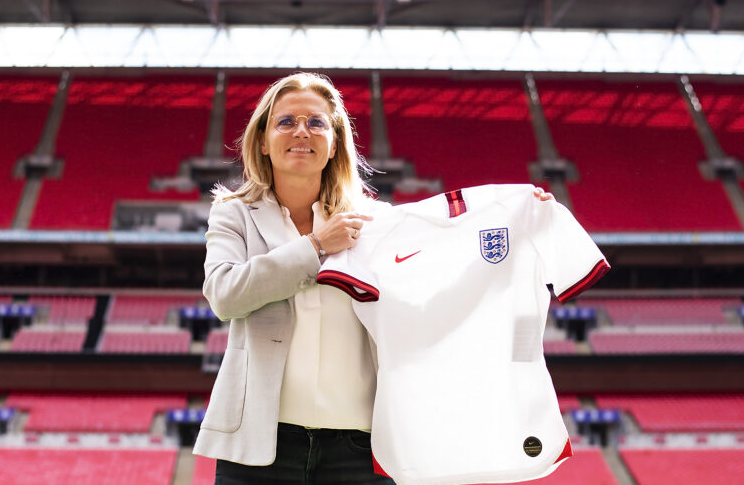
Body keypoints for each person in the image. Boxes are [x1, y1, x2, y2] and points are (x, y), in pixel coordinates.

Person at [194, 71, 554, 484]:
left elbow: (430, 289)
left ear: (334, 144)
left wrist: (517, 222)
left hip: (360, 451)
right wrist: (316, 246)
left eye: (316, 122)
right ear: (262, 139)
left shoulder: (375, 222)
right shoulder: (233, 213)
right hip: (258, 452)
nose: (302, 132)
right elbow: (224, 295)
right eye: (287, 121)